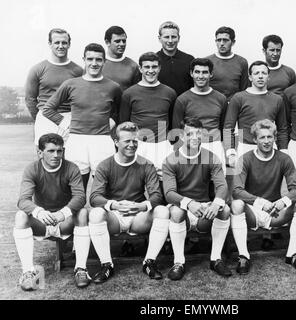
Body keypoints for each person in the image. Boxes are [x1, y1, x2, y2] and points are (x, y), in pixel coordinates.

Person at [88, 122, 170, 283]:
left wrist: (142, 206)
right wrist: (114, 205)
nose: (132, 145)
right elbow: (95, 196)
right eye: (127, 141)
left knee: (163, 211)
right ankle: (107, 265)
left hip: (138, 216)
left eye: (134, 141)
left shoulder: (145, 164)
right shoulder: (105, 165)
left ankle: (149, 262)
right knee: (96, 213)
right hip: (115, 216)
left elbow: (156, 195)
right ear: (116, 142)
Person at [231, 119, 296, 273]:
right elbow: (236, 190)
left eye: (270, 137)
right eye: (262, 137)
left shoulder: (284, 158)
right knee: (236, 204)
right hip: (253, 211)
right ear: (254, 139)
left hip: (275, 211)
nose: (266, 141)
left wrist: (282, 202)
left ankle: (292, 254)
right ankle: (243, 256)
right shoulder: (245, 159)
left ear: (274, 138)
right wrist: (260, 202)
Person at [14, 133, 90, 290]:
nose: (56, 155)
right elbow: (23, 200)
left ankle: (81, 269)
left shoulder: (71, 168)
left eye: (59, 151)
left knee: (82, 213)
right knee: (21, 216)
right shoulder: (32, 169)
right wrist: (39, 212)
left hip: (64, 222)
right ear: (40, 152)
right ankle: (28, 272)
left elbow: (80, 197)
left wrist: (63, 213)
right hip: (42, 221)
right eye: (51, 151)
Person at [42, 43, 122, 192]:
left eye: (98, 59)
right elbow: (48, 109)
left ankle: (104, 215)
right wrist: (66, 124)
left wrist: (112, 122)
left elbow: (119, 112)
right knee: (76, 191)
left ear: (104, 61)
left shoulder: (113, 87)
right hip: (77, 141)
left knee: (107, 190)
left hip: (102, 141)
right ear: (84, 60)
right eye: (90, 59)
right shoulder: (71, 84)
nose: (94, 63)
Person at [162, 118, 231, 280]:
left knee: (225, 209)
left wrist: (216, 204)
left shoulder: (212, 157)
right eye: (189, 134)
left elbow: (222, 186)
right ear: (182, 136)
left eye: (198, 133)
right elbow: (169, 193)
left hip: (204, 211)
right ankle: (179, 262)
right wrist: (189, 203)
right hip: (183, 210)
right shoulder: (171, 160)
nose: (194, 137)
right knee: (177, 211)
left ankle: (215, 259)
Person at [120, 52, 177, 178]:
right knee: (136, 182)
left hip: (163, 145)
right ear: (140, 68)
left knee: (163, 183)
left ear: (159, 68)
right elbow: (124, 124)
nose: (151, 71)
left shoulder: (170, 93)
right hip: (139, 144)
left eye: (154, 67)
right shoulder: (129, 93)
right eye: (147, 67)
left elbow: (173, 123)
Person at [224, 60, 288, 168]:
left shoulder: (277, 99)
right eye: (256, 73)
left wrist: (284, 151)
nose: (260, 76)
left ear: (268, 76)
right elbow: (228, 127)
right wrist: (231, 153)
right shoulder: (239, 98)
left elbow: (282, 129)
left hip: (270, 148)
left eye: (264, 73)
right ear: (250, 77)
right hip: (246, 147)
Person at [25, 28, 83, 146]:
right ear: (50, 44)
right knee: (46, 159)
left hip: (70, 118)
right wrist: (40, 118)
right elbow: (30, 99)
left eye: (64, 43)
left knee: (71, 159)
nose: (61, 46)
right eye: (57, 42)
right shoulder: (37, 69)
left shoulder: (78, 71)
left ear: (69, 44)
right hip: (46, 118)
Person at [172, 58, 228, 172]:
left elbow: (224, 127)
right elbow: (177, 130)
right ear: (191, 73)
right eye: (197, 72)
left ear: (211, 74)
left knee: (217, 185)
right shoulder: (182, 99)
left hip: (214, 146)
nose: (201, 76)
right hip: (191, 147)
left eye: (205, 72)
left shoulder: (221, 99)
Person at [206, 26, 249, 102]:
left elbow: (244, 90)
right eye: (219, 40)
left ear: (233, 42)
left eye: (225, 40)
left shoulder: (242, 62)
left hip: (233, 105)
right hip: (212, 105)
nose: (222, 43)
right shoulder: (207, 61)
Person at [156, 21, 194, 96]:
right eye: (166, 37)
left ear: (179, 38)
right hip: (160, 106)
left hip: (184, 106)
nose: (170, 41)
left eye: (173, 37)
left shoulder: (189, 60)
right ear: (159, 39)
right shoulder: (153, 61)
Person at [103, 26, 140, 92]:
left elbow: (136, 92)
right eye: (117, 41)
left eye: (124, 41)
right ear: (107, 42)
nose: (122, 44)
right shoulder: (97, 64)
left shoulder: (133, 66)